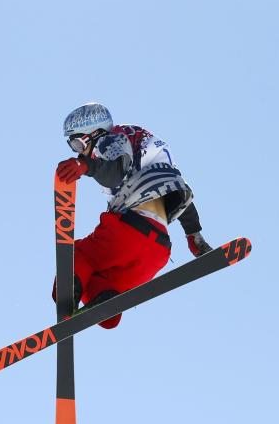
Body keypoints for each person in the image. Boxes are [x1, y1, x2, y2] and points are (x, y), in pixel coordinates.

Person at [54, 102, 211, 329]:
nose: (78, 150)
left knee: (78, 256)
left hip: (127, 232)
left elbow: (115, 172)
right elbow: (179, 192)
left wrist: (84, 165)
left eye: (77, 143)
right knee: (102, 284)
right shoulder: (153, 156)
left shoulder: (111, 139)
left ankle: (66, 302)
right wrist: (195, 239)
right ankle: (106, 307)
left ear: (94, 134)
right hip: (157, 252)